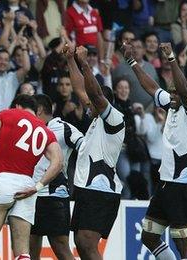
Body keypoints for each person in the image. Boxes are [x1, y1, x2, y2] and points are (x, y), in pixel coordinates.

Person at [127, 42, 187, 260]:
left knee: (182, 242)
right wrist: (132, 62)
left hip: (184, 184)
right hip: (166, 182)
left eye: (176, 92)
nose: (171, 95)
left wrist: (171, 58)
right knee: (149, 236)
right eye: (170, 92)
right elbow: (151, 87)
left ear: (186, 93)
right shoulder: (173, 104)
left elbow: (182, 89)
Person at [0, 94, 63, 260]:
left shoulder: (8, 114)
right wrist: (38, 186)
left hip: (0, 181)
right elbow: (58, 163)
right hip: (27, 185)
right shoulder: (46, 130)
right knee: (23, 253)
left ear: (18, 106)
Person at [66, 44, 125, 260]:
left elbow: (93, 93)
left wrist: (84, 63)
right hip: (86, 189)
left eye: (93, 102)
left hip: (102, 191)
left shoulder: (115, 119)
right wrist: (70, 60)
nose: (87, 105)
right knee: (80, 243)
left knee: (87, 243)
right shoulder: (94, 121)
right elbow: (81, 90)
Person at [30, 95, 83, 260]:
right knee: (30, 250)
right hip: (30, 196)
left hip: (55, 197)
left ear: (38, 110)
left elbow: (86, 148)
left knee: (61, 249)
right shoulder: (28, 129)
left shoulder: (64, 128)